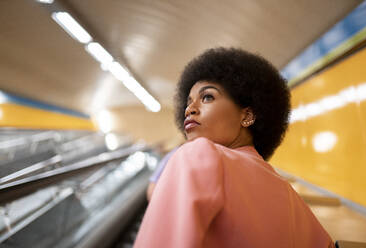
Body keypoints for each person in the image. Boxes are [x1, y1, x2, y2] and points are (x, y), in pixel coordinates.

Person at [134, 47, 334, 248]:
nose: (190, 109)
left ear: (246, 116)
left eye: (207, 97)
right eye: (188, 102)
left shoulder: (197, 155)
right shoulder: (289, 193)